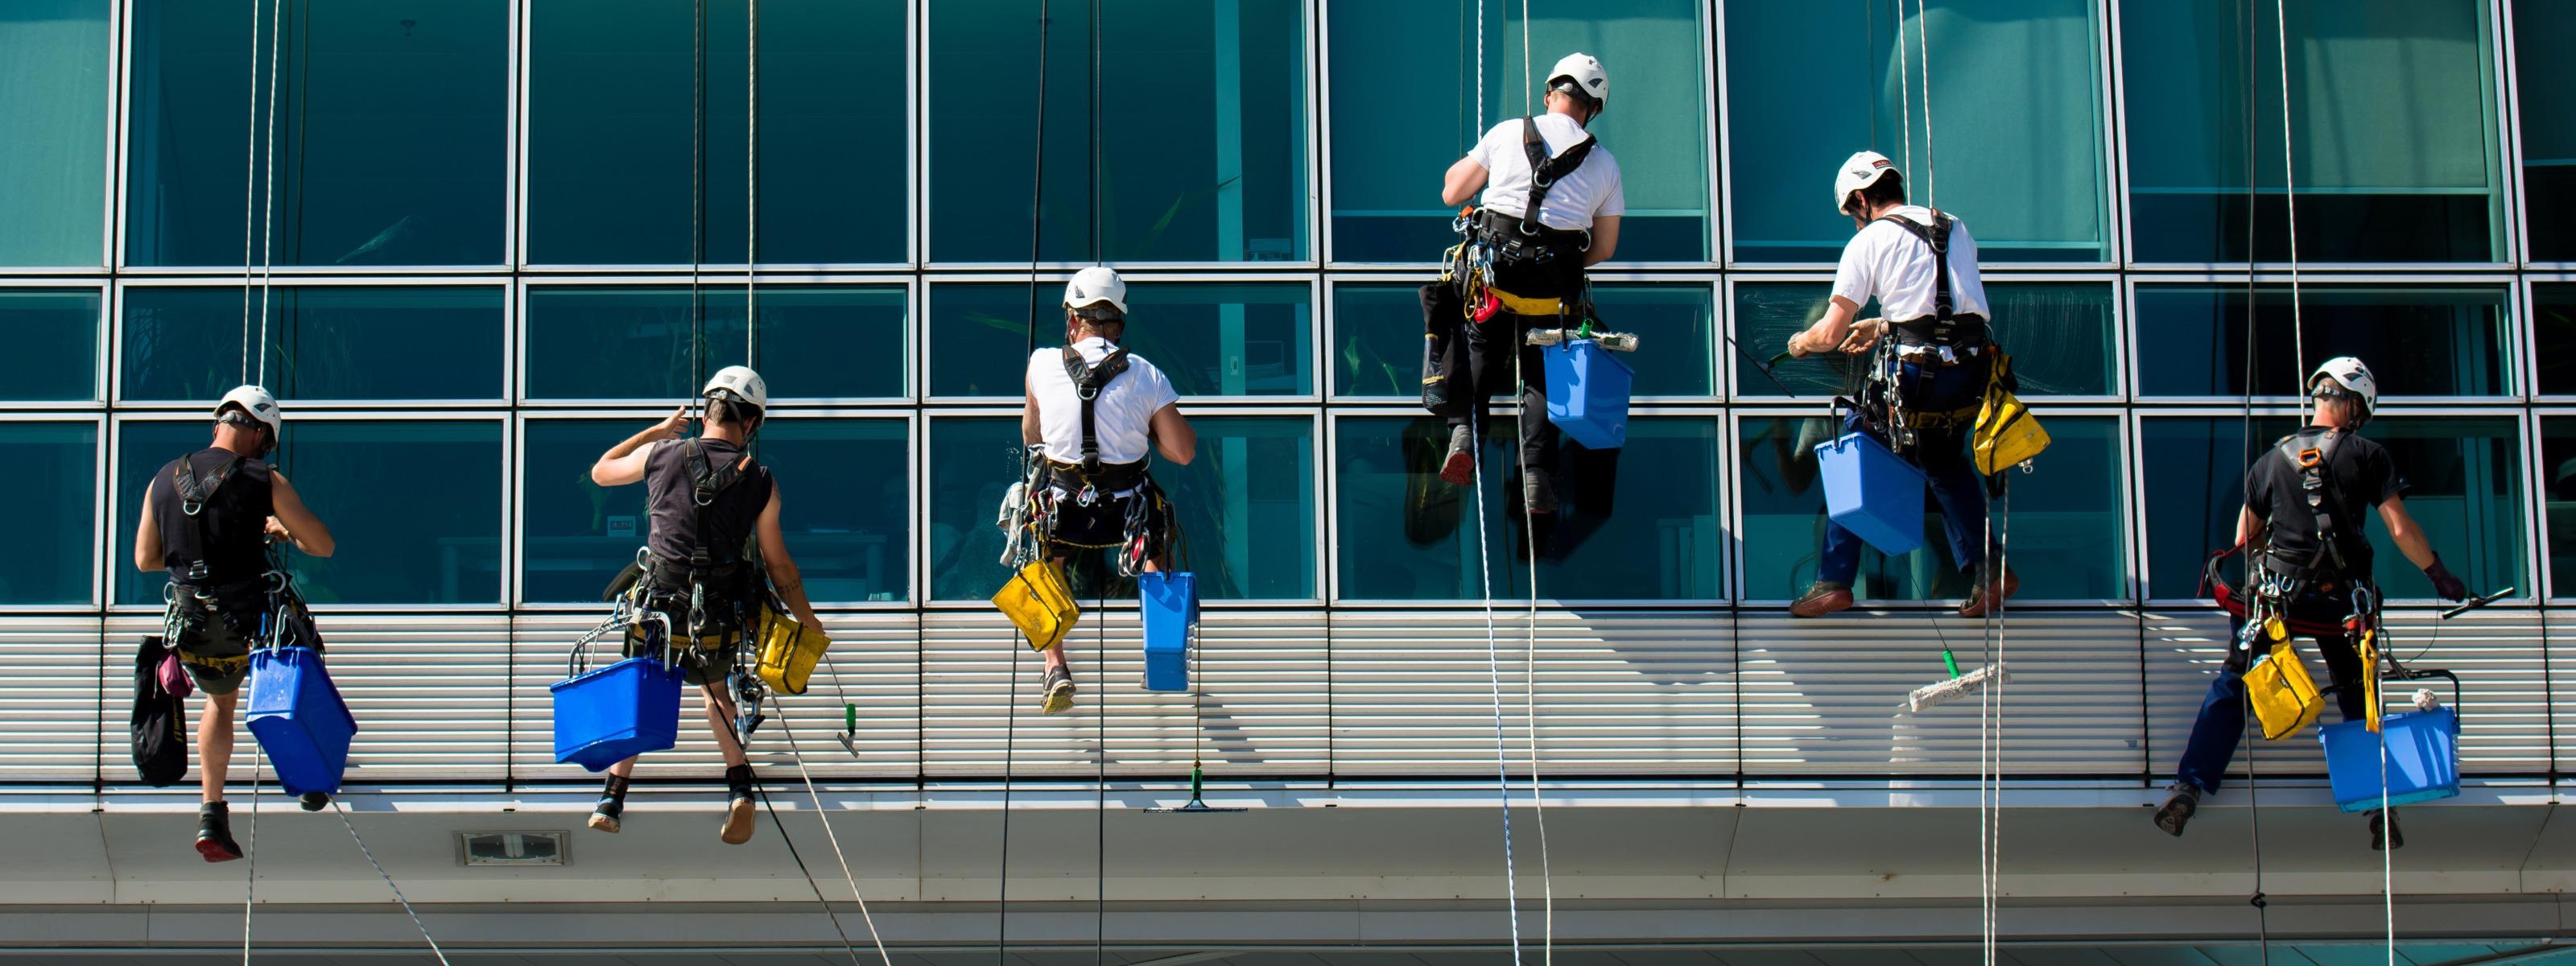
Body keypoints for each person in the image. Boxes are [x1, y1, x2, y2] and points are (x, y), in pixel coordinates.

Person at [2153, 357, 2471, 850]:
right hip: (2340, 601)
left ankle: (2189, 787)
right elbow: (2400, 528)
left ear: (2320, 395)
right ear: (2354, 405)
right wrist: (2438, 573)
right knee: (2357, 696)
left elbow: (2244, 537)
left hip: (2279, 599)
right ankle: (2376, 805)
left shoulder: (2271, 460)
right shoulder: (2367, 454)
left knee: (2235, 684)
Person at [582, 365, 827, 845]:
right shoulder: (760, 481)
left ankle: (613, 795)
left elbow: (601, 471)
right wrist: (808, 623)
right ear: (752, 424)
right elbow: (780, 568)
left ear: (707, 411)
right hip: (714, 614)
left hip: (657, 607)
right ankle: (740, 787)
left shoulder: (660, 454)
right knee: (715, 692)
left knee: (644, 688)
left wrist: (657, 431)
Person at [1782, 151, 2016, 619]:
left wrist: (1800, 343)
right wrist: (1883, 326)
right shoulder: (1953, 226)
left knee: (1853, 445)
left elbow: (1829, 331)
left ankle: (1834, 579)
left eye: (1852, 212)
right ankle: (1991, 569)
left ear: (1863, 199)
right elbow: (1946, 307)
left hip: (1918, 375)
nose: (1854, 222)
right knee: (1942, 460)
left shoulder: (1869, 242)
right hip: (1970, 372)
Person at [132, 386, 337, 861]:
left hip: (193, 629)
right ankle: (307, 778)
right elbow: (322, 546)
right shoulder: (264, 479)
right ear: (260, 433)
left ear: (219, 423)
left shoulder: (163, 478)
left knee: (220, 705)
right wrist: (283, 532)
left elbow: (146, 559)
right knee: (303, 663)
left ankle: (212, 812)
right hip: (251, 624)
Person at [1432, 52, 1624, 514]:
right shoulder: (1605, 165)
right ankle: (1536, 475)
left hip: (1496, 280)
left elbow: (1452, 193)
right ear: (1593, 108)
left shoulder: (1506, 133)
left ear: (1549, 94)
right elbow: (1604, 249)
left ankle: (1463, 435)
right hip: (1551, 294)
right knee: (1539, 371)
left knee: (1479, 345)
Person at [1019, 266, 1196, 715]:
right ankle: (1163, 652)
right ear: (1119, 321)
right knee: (1157, 548)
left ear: (1072, 318)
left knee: (1041, 557)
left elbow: (1031, 435)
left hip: (1064, 511)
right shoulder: (1146, 375)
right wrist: (1147, 428)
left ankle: (1054, 667)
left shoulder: (1040, 364)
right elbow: (1183, 452)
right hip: (1126, 513)